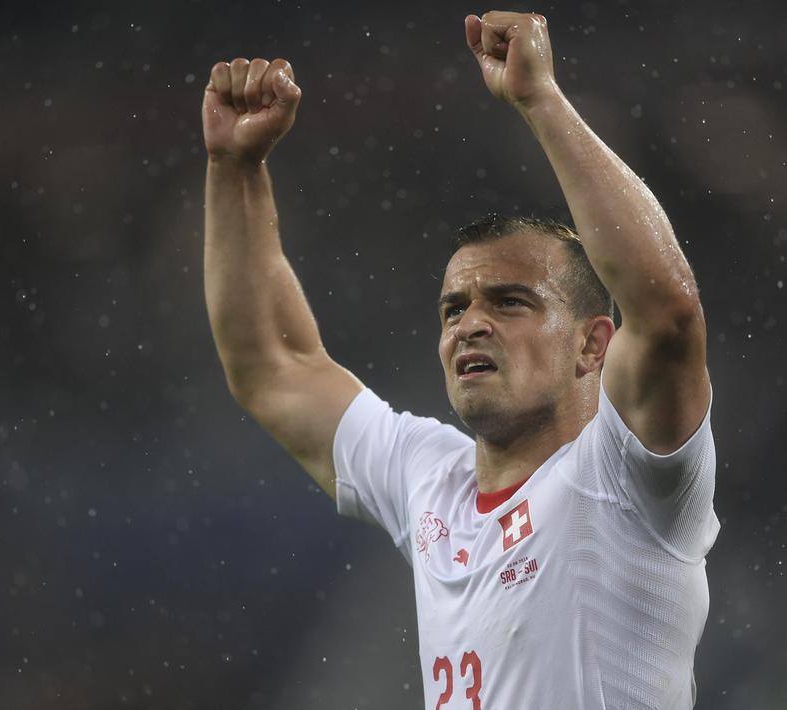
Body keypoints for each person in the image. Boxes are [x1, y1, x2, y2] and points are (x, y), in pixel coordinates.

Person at [201, 10, 717, 709]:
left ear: (592, 344)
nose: (470, 324)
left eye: (508, 302)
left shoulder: (626, 480)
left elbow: (668, 315)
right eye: (453, 308)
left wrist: (540, 101)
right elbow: (272, 366)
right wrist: (235, 167)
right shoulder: (428, 480)